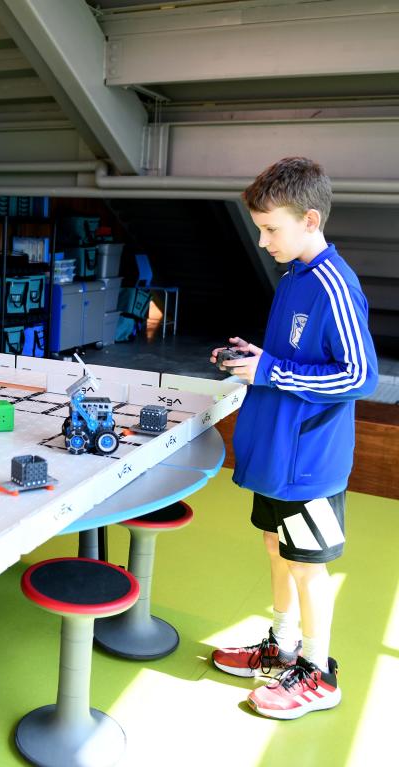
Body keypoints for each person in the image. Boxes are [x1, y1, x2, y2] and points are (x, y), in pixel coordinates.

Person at [210, 157, 378, 720]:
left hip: (312, 459)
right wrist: (261, 359)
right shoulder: (294, 278)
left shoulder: (334, 284)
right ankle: (281, 647)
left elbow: (359, 375)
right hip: (281, 451)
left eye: (271, 228)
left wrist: (271, 373)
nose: (261, 241)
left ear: (310, 219)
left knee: (308, 565)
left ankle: (319, 671)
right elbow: (298, 359)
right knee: (275, 547)